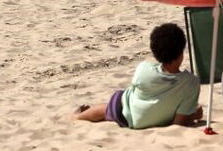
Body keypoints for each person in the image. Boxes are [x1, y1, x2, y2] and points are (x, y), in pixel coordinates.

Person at [72, 23, 202, 129]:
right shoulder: (190, 82)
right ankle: (79, 116)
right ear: (181, 52)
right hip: (151, 117)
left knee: (109, 107)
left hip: (125, 113)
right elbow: (179, 124)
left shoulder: (144, 68)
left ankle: (78, 117)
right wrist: (193, 115)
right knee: (112, 106)